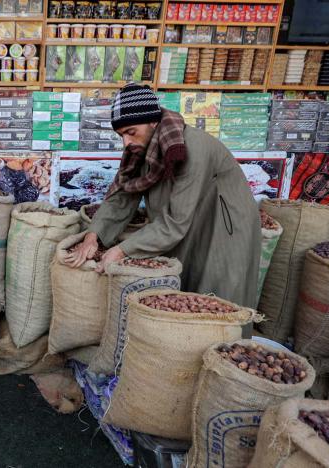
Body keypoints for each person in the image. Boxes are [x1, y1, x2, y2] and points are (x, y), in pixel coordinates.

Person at [66, 84, 261, 308]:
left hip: (225, 224)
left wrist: (121, 250)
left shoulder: (191, 149)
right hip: (191, 216)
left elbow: (176, 222)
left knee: (216, 297)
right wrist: (94, 236)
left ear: (153, 121)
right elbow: (122, 195)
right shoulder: (140, 147)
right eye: (121, 135)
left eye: (131, 132)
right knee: (182, 293)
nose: (126, 143)